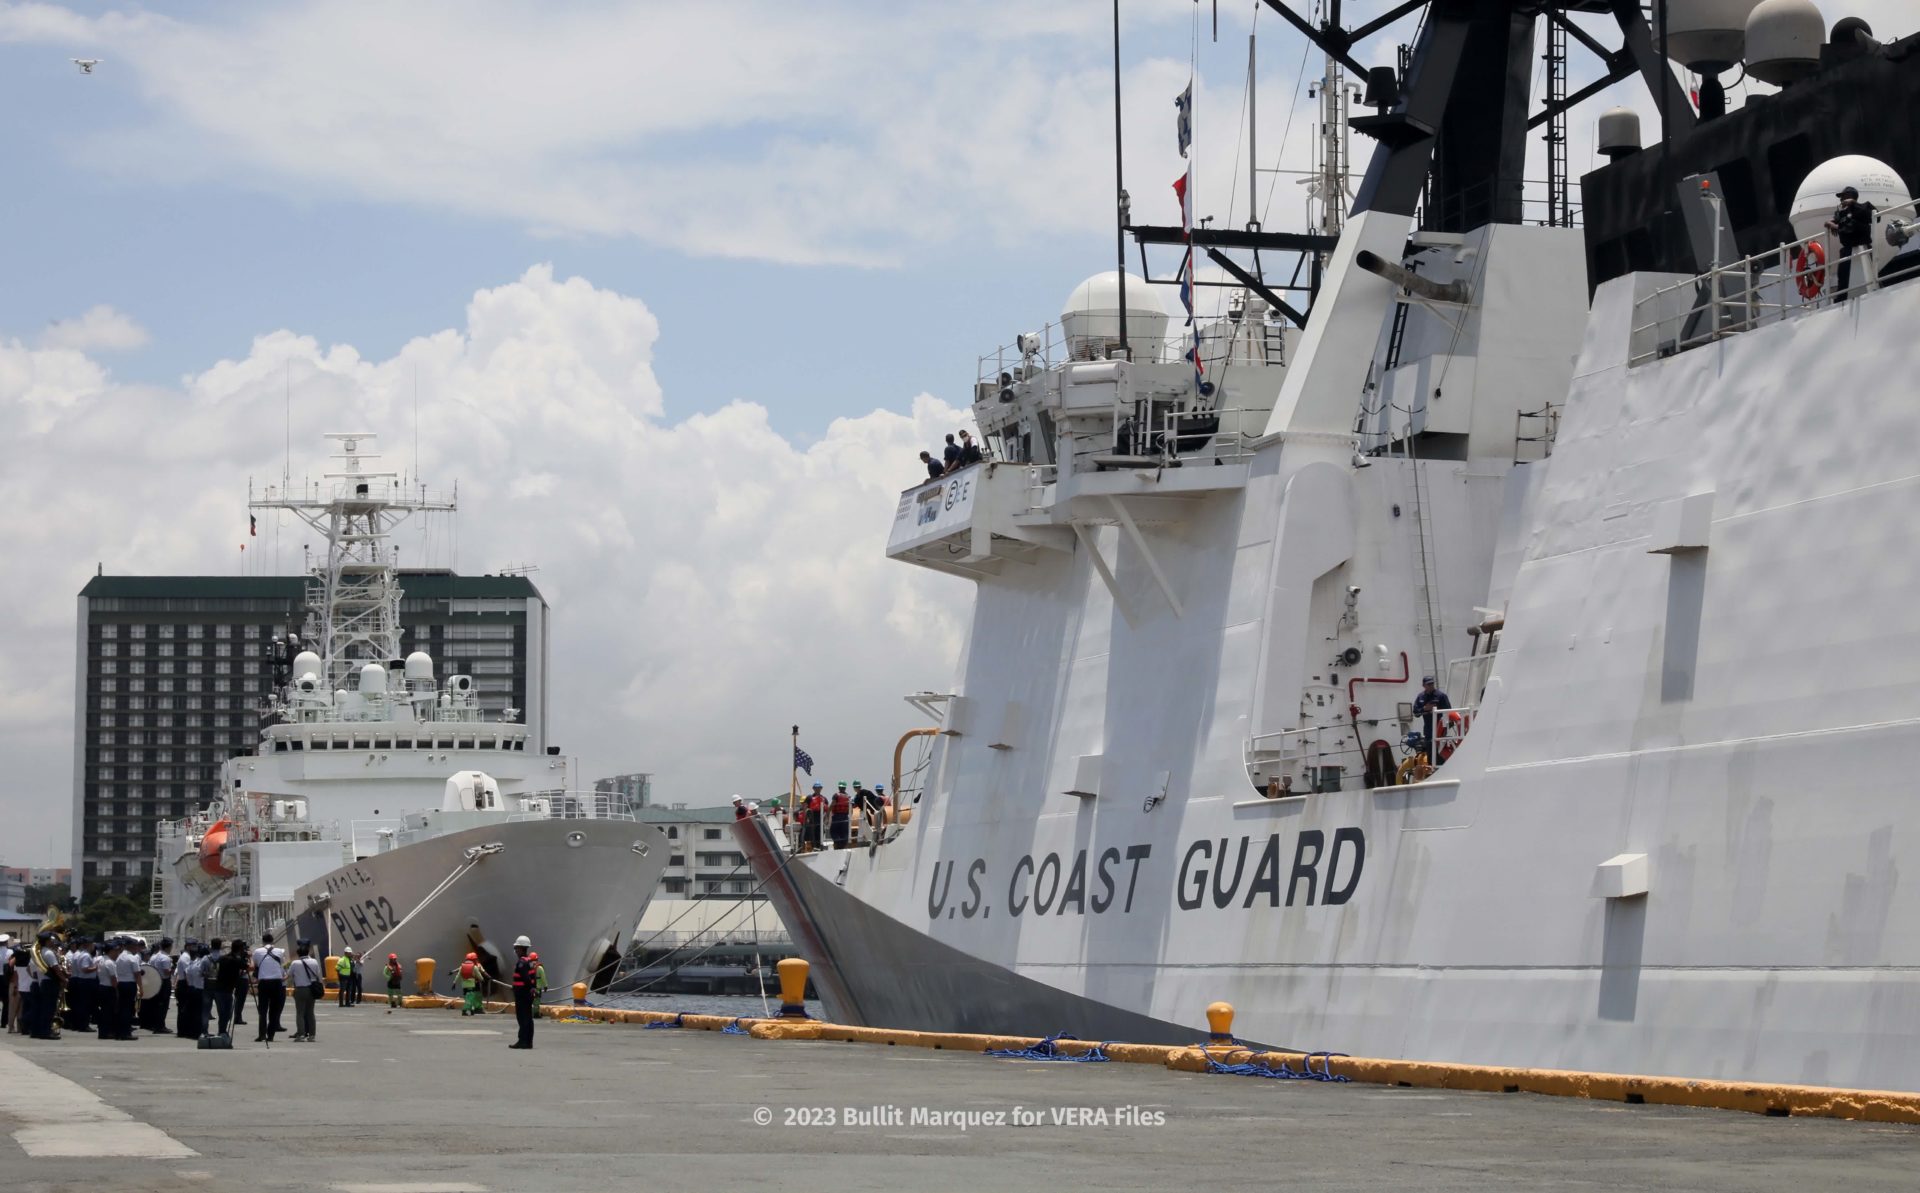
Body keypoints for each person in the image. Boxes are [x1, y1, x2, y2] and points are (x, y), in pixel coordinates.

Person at [1825, 185, 1878, 302]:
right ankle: (1842, 296)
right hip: (1847, 249)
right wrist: (1829, 222)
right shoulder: (1842, 213)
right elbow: (1836, 221)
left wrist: (1853, 204)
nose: (1841, 200)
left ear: (1850, 197)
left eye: (1843, 197)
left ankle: (1875, 285)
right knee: (1843, 275)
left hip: (1863, 247)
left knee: (1870, 273)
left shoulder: (1863, 207)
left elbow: (1875, 217)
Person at [252, 932, 288, 1043]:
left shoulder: (257, 952)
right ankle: (270, 1035)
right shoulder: (280, 951)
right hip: (277, 982)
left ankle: (261, 1035)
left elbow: (256, 965)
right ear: (273, 941)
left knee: (262, 1010)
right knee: (274, 1010)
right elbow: (282, 963)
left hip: (264, 982)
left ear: (263, 941)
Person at [210, 939, 246, 1038]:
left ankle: (222, 1031)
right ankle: (222, 1031)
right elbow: (248, 967)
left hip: (221, 989)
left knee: (224, 1013)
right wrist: (248, 957)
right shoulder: (235, 960)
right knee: (226, 1013)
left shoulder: (223, 958)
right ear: (240, 949)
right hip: (225, 990)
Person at [289, 941, 323, 1043]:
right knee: (310, 1013)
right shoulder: (314, 962)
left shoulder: (295, 963)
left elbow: (290, 975)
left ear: (298, 954)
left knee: (300, 1013)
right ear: (308, 952)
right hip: (311, 989)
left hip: (300, 989)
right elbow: (317, 973)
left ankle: (301, 1035)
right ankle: (312, 1035)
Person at [1411, 675, 1452, 759]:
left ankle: (1441, 767)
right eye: (1428, 684)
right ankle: (1432, 768)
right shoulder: (1420, 697)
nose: (1431, 686)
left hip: (1440, 729)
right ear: (1424, 685)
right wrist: (1424, 708)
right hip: (1428, 729)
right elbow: (1416, 713)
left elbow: (1449, 712)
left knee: (1440, 752)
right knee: (1430, 750)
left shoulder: (1441, 696)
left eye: (1432, 684)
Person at [508, 935, 537, 1049]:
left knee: (522, 1017)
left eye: (517, 948)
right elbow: (532, 977)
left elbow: (525, 978)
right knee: (528, 1018)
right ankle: (528, 1041)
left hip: (522, 994)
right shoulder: (530, 961)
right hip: (528, 993)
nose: (515, 950)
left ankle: (523, 1041)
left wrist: (522, 988)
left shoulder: (521, 963)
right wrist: (533, 988)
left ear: (521, 948)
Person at [141, 937, 175, 1033]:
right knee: (163, 1005)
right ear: (168, 947)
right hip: (164, 982)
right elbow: (166, 972)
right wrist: (172, 969)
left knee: (156, 1005)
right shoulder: (166, 958)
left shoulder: (154, 956)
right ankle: (160, 1026)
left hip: (155, 981)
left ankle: (155, 1024)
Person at [64, 936, 96, 1034]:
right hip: (85, 981)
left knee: (79, 1004)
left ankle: (77, 1024)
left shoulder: (79, 954)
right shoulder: (85, 955)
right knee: (84, 1005)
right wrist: (96, 967)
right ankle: (83, 1025)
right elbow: (84, 969)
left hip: (79, 980)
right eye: (92, 944)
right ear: (88, 945)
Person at [113, 936, 140, 1039]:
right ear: (132, 946)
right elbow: (137, 974)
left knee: (121, 1008)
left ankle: (119, 1032)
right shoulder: (132, 958)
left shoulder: (120, 957)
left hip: (121, 984)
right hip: (129, 984)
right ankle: (126, 1033)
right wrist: (141, 988)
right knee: (128, 1010)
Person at [828, 781, 853, 850]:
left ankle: (838, 843)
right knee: (844, 833)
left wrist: (827, 813)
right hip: (845, 817)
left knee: (833, 831)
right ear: (845, 788)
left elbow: (833, 804)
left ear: (839, 787)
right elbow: (851, 810)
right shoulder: (849, 796)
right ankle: (842, 845)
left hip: (837, 816)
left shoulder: (836, 795)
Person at [802, 782, 825, 852]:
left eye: (819, 788)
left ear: (821, 788)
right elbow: (805, 806)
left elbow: (827, 809)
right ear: (813, 788)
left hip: (820, 818)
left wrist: (826, 818)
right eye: (816, 788)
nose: (817, 789)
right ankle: (811, 847)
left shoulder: (823, 798)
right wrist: (806, 817)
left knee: (820, 833)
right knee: (811, 834)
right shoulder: (809, 797)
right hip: (811, 818)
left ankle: (819, 847)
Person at [459, 952, 482, 1016]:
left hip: (465, 985)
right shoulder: (476, 966)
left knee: (469, 997)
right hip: (473, 984)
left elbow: (459, 972)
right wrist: (483, 979)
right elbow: (480, 974)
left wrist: (454, 982)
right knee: (472, 997)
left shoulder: (464, 966)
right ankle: (467, 1009)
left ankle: (472, 1009)